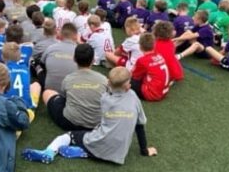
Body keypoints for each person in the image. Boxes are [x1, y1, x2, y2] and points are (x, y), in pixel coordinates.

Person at [23, 66, 157, 165]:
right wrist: (144, 150)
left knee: (68, 136)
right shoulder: (133, 97)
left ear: (108, 83)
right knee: (97, 136)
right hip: (118, 154)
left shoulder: (105, 98)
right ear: (128, 86)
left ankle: (49, 152)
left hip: (99, 141)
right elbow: (140, 126)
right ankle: (85, 152)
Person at [42, 42, 107, 132]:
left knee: (47, 93)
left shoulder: (68, 79)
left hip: (70, 123)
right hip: (95, 124)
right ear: (93, 60)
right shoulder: (103, 80)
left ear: (74, 59)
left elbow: (64, 98)